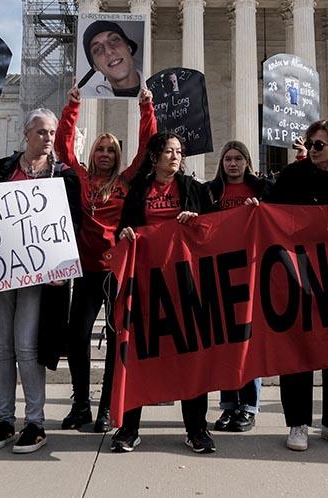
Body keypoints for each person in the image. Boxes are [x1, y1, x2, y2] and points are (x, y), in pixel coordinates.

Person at [0, 108, 81, 454]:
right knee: (1, 347)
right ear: (26, 134)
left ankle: (35, 421)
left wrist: (62, 270)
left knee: (27, 346)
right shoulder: (4, 169)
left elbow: (72, 226)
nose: (48, 138)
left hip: (40, 279)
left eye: (52, 133)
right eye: (42, 132)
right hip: (2, 275)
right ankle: (5, 419)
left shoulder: (64, 175)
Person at [257, 119, 328, 452]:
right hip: (298, 271)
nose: (313, 149)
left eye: (319, 145)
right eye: (311, 144)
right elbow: (270, 209)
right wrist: (255, 209)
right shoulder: (293, 175)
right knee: (298, 349)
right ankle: (298, 423)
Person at [55, 86, 156, 433]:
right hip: (85, 271)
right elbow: (63, 148)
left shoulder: (126, 181)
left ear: (117, 156)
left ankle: (105, 407)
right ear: (93, 152)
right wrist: (73, 105)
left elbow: (147, 150)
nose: (105, 154)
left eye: (111, 150)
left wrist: (146, 107)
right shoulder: (82, 179)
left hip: (115, 272)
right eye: (100, 148)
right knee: (77, 337)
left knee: (115, 340)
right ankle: (80, 403)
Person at [110, 131, 217, 454]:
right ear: (154, 157)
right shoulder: (139, 191)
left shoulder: (194, 190)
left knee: (190, 356)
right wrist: (126, 233)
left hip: (186, 283)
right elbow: (121, 230)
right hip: (146, 283)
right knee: (139, 353)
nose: (175, 156)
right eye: (169, 151)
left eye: (179, 151)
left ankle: (196, 428)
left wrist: (195, 222)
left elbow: (215, 232)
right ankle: (129, 428)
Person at [206, 140, 269, 433]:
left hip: (251, 272)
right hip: (221, 272)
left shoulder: (261, 190)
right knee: (224, 343)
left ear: (247, 162)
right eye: (228, 159)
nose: (233, 164)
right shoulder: (211, 192)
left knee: (248, 343)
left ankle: (249, 406)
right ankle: (229, 406)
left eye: (238, 159)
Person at [78, 20, 143, 97]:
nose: (108, 51)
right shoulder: (87, 95)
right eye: (97, 49)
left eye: (114, 40)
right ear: (95, 66)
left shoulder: (156, 84)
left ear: (129, 48)